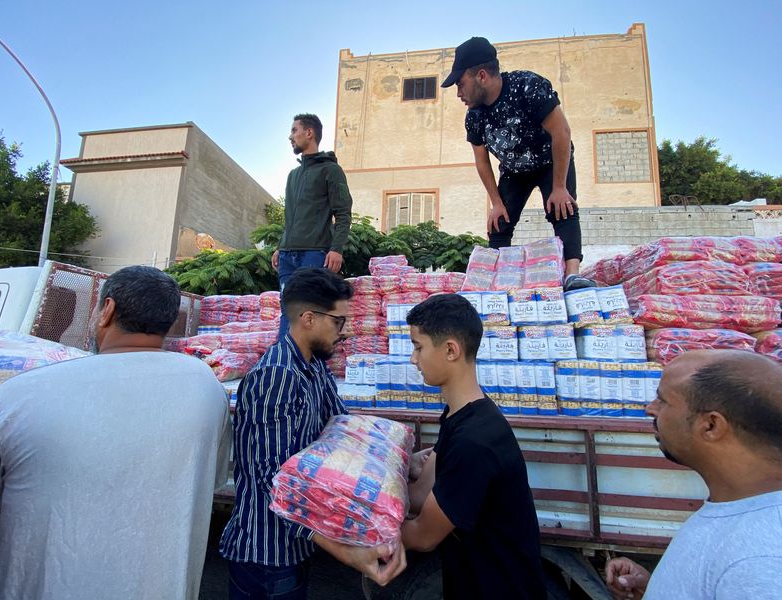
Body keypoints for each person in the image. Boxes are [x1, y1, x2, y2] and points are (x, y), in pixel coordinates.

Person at [0, 266, 230, 600]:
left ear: (107, 310)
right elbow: (211, 479)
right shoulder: (206, 386)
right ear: (169, 322)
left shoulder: (20, 394)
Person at [219, 267, 405, 599]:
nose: (343, 332)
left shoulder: (313, 365)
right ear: (308, 319)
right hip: (267, 554)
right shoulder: (277, 377)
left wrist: (396, 460)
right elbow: (273, 481)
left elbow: (342, 430)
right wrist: (344, 551)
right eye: (338, 322)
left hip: (295, 548)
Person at [400, 293, 547, 599]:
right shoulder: (459, 416)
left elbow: (421, 535)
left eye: (418, 347)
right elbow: (419, 496)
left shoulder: (475, 441)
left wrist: (345, 530)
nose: (413, 358)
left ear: (451, 350)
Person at [605, 350, 782, 600]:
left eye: (663, 400)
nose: (650, 409)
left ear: (711, 426)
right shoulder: (738, 507)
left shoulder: (761, 562)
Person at [442, 36, 596, 291]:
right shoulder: (474, 117)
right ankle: (498, 281)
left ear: (481, 76)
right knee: (499, 223)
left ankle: (572, 275)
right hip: (514, 171)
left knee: (562, 208)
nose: (459, 94)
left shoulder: (527, 87)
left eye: (460, 85)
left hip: (551, 160)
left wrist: (559, 187)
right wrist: (496, 202)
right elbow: (482, 162)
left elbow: (562, 133)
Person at [272, 113, 353, 337]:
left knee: (310, 313)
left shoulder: (330, 170)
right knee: (287, 311)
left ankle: (310, 369)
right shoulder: (293, 175)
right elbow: (290, 217)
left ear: (309, 133)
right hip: (287, 257)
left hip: (314, 254)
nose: (290, 136)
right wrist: (281, 245)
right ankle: (286, 365)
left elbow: (343, 213)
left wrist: (336, 248)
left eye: (294, 130)